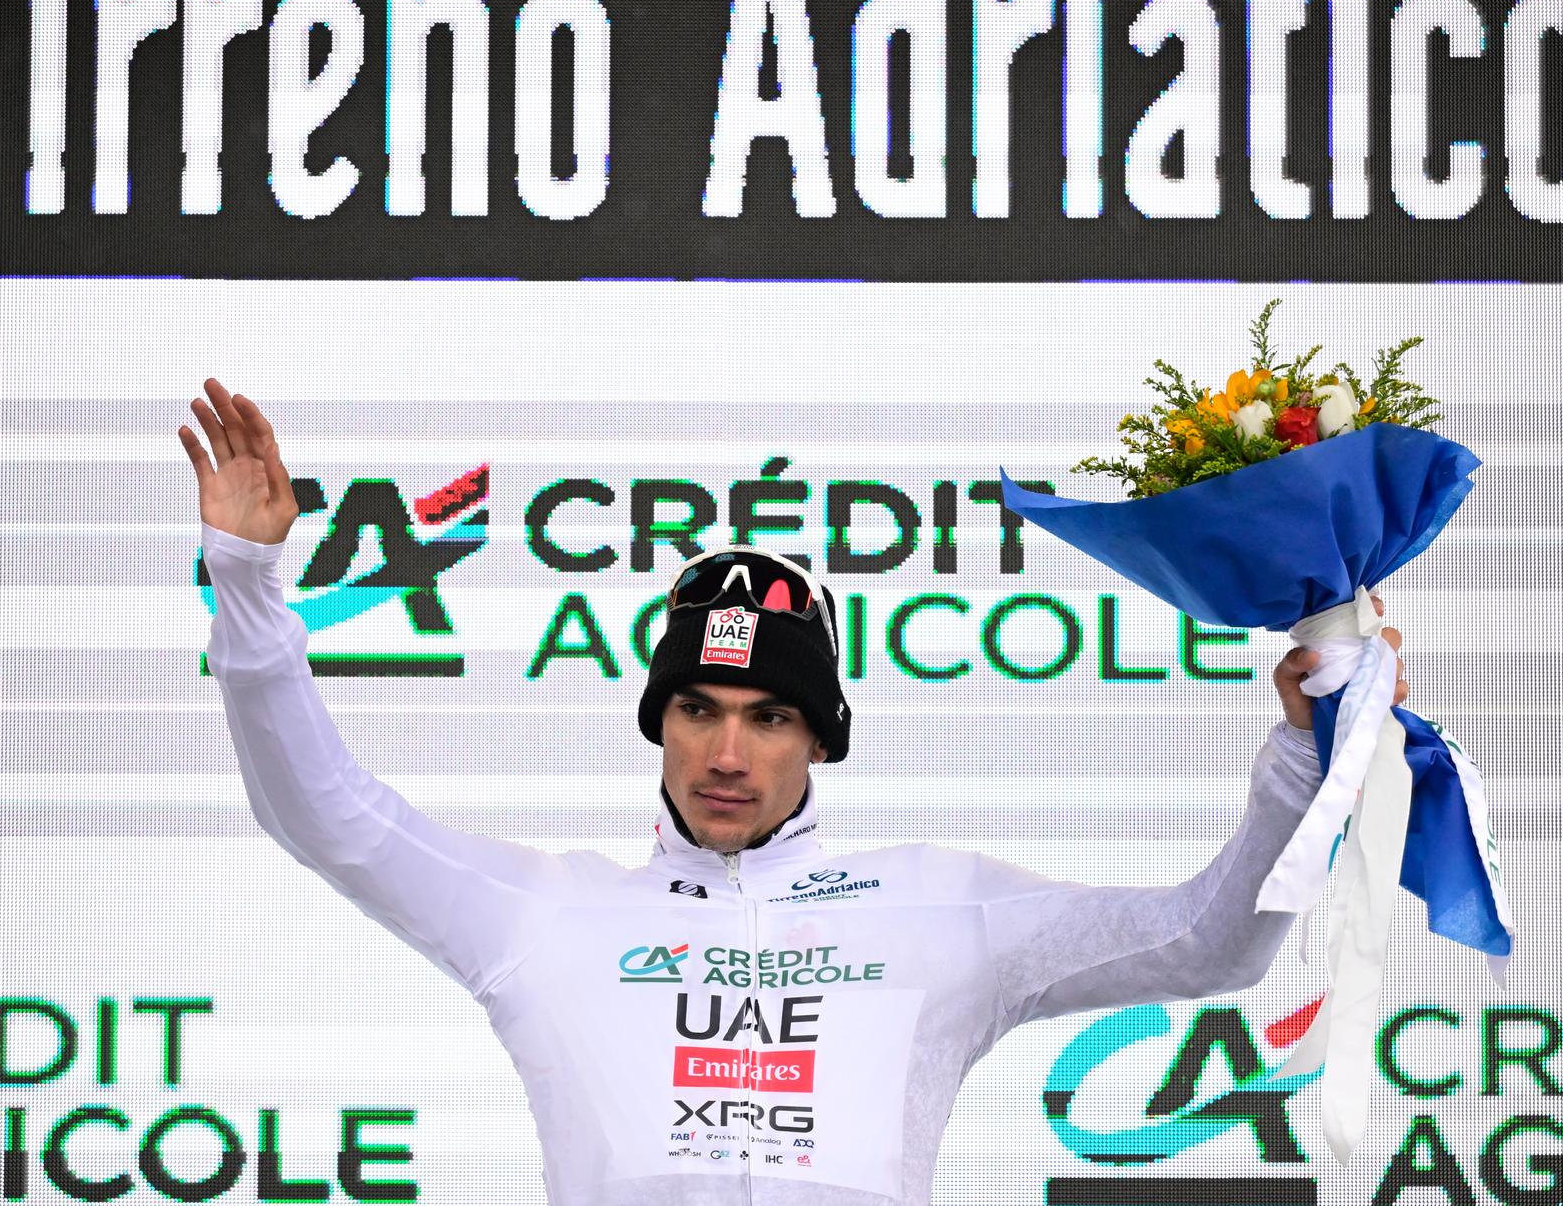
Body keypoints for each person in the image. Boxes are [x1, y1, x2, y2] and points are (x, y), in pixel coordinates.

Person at [178, 378, 1409, 1205]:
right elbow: (325, 814)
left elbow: (1207, 941)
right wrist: (247, 580)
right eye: (698, 710)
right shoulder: (544, 912)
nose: (728, 752)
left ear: (819, 739)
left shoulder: (941, 910)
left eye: (769, 717)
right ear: (659, 722)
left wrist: (1304, 754)